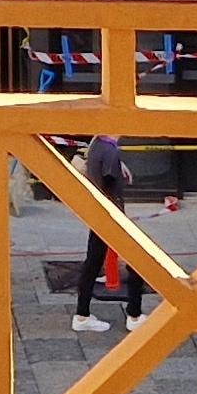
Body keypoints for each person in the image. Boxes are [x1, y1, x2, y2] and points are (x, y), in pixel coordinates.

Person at [72, 130, 134, 333]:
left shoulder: (98, 143)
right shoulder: (109, 151)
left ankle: (82, 315)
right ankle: (134, 314)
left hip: (100, 215)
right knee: (136, 262)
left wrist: (118, 165)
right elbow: (109, 184)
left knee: (93, 262)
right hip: (109, 217)